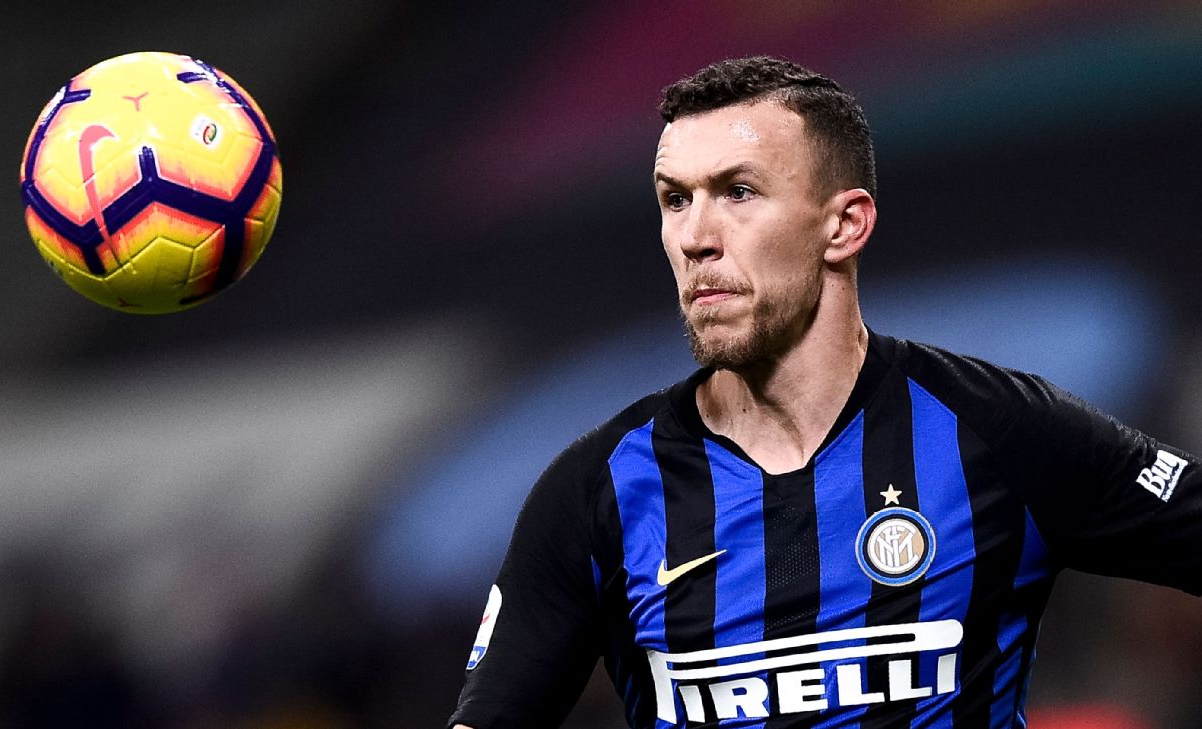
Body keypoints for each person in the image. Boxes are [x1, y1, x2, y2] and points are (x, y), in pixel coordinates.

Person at [447, 56, 1202, 729]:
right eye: (675, 199)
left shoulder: (995, 431)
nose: (695, 237)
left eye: (737, 191)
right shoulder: (598, 491)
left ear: (844, 225)